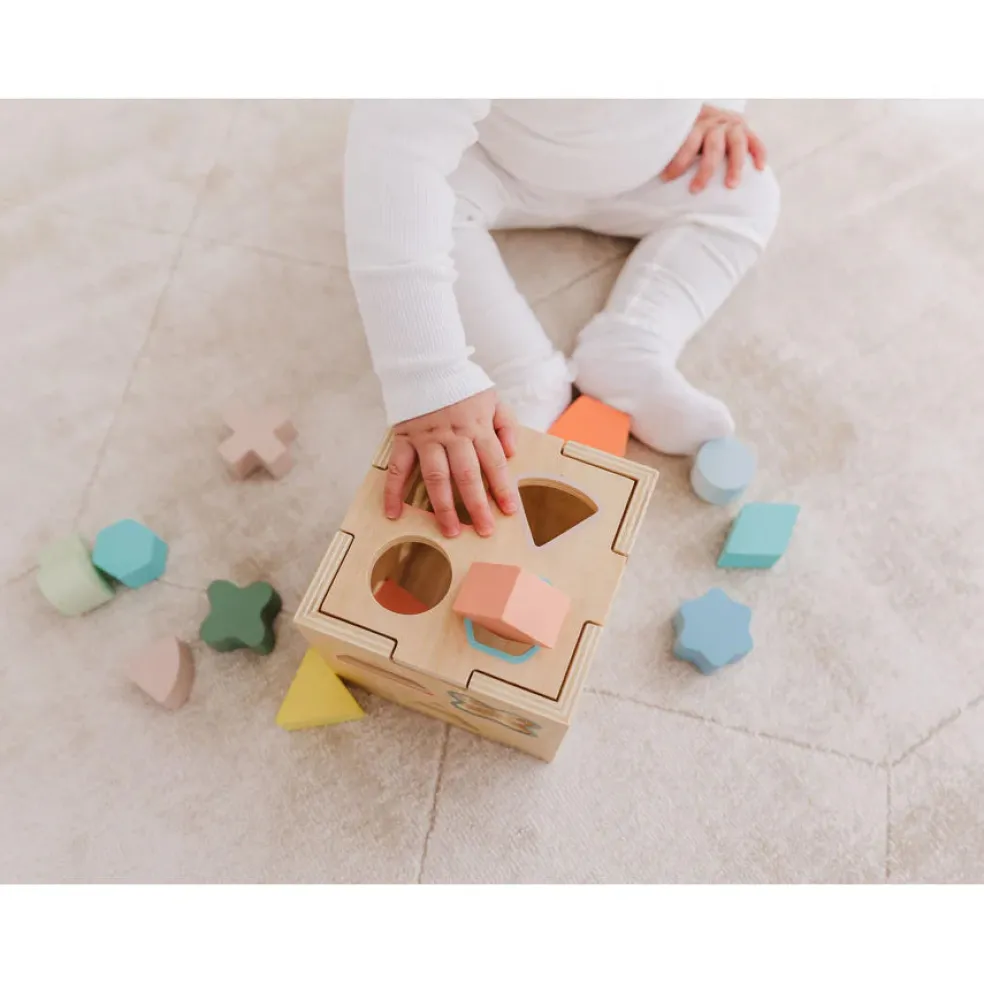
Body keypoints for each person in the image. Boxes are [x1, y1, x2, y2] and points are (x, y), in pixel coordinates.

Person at [344, 100, 780, 538]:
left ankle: (632, 344)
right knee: (409, 214)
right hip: (494, 163)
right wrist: (430, 379)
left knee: (748, 190)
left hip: (651, 166)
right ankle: (523, 370)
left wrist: (721, 104)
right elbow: (393, 165)